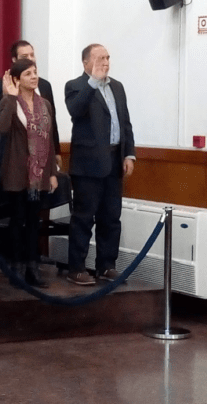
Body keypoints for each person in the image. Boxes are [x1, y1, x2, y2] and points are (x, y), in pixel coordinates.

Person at [65, 43, 135, 286]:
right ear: (86, 63)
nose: (105, 62)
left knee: (111, 218)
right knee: (83, 218)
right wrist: (93, 82)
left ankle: (106, 266)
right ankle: (76, 268)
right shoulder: (75, 86)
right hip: (88, 165)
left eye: (107, 57)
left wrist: (129, 154)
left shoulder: (117, 87)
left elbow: (125, 123)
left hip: (115, 162)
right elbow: (76, 111)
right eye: (99, 59)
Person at [0, 59, 58, 288]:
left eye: (35, 72)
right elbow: (2, 128)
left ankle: (33, 268)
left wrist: (52, 173)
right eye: (28, 74)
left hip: (38, 175)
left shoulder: (45, 104)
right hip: (16, 171)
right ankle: (17, 268)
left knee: (34, 221)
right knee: (18, 219)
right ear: (17, 79)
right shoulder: (9, 101)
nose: (34, 77)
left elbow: (49, 140)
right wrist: (11, 98)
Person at [0, 40, 61, 168]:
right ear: (14, 59)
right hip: (12, 155)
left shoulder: (44, 85)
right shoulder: (3, 83)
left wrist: (57, 151)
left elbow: (52, 120)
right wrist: (6, 95)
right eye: (24, 56)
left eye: (32, 55)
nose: (30, 59)